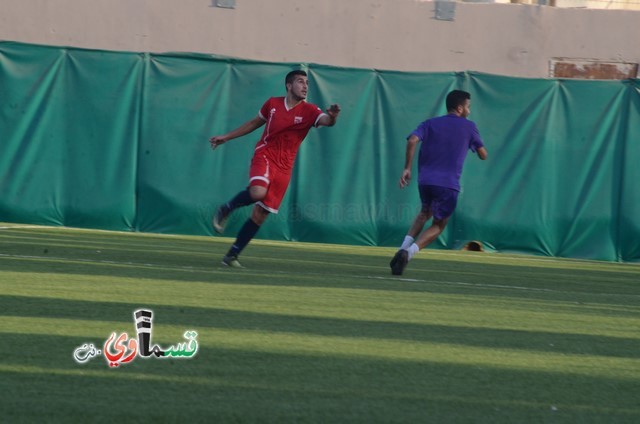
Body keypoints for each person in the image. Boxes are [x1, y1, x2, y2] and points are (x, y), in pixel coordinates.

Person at [209, 70, 341, 267]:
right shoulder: (272, 104)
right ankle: (225, 209)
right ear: (288, 85)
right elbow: (254, 123)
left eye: (307, 83)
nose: (305, 86)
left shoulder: (310, 110)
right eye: (300, 82)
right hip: (265, 155)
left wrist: (333, 117)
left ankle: (232, 255)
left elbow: (326, 121)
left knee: (260, 215)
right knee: (257, 192)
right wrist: (226, 137)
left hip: (284, 169)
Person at [390, 89, 488, 276]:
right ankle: (409, 254)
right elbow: (484, 155)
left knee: (424, 213)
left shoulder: (430, 123)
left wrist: (407, 168)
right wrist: (477, 146)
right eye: (468, 107)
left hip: (425, 181)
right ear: (460, 108)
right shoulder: (469, 126)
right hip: (448, 184)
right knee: (439, 225)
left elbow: (412, 140)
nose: (469, 110)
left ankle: (402, 248)